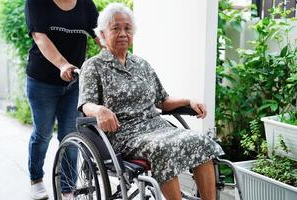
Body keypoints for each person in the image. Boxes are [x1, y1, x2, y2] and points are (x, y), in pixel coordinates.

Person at [78, 3, 224, 200]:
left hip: (157, 127)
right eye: (116, 28)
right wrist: (99, 110)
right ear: (102, 34)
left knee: (201, 141)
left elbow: (162, 101)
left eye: (127, 28)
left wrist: (189, 100)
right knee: (162, 148)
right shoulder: (93, 66)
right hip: (124, 134)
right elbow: (86, 104)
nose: (123, 33)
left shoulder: (141, 64)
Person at [24, 0, 99, 199]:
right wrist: (63, 64)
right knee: (43, 134)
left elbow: (100, 34)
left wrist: (113, 53)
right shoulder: (36, 2)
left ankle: (68, 189)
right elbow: (40, 37)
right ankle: (36, 179)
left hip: (74, 82)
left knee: (70, 135)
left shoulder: (85, 4)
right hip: (42, 81)